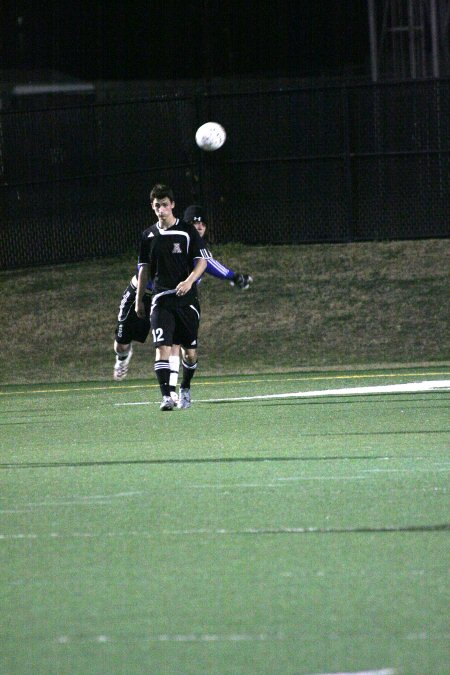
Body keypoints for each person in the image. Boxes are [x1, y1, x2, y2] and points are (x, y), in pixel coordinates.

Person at [113, 204, 253, 393]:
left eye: (203, 223)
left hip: (167, 301)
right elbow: (145, 266)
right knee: (121, 343)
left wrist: (234, 277)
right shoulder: (169, 239)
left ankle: (170, 391)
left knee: (173, 344)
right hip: (144, 293)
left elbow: (209, 263)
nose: (199, 227)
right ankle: (122, 358)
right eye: (195, 223)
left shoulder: (198, 248)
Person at [135, 183, 213, 411]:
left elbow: (203, 261)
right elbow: (143, 269)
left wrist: (189, 282)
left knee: (190, 353)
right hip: (161, 300)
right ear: (152, 206)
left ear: (173, 206)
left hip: (187, 301)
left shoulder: (187, 232)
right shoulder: (148, 236)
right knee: (162, 348)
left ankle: (185, 387)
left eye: (165, 205)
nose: (161, 210)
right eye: (157, 206)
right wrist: (140, 299)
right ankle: (167, 396)